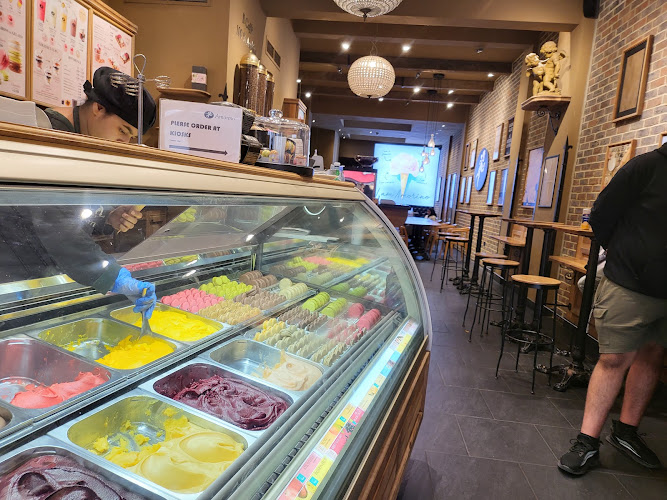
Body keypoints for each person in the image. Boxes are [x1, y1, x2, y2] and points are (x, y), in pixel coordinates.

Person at [558, 142, 667, 475]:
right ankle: (587, 441)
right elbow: (601, 214)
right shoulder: (646, 166)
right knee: (614, 359)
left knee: (653, 356)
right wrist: (627, 255)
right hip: (629, 283)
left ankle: (626, 432)